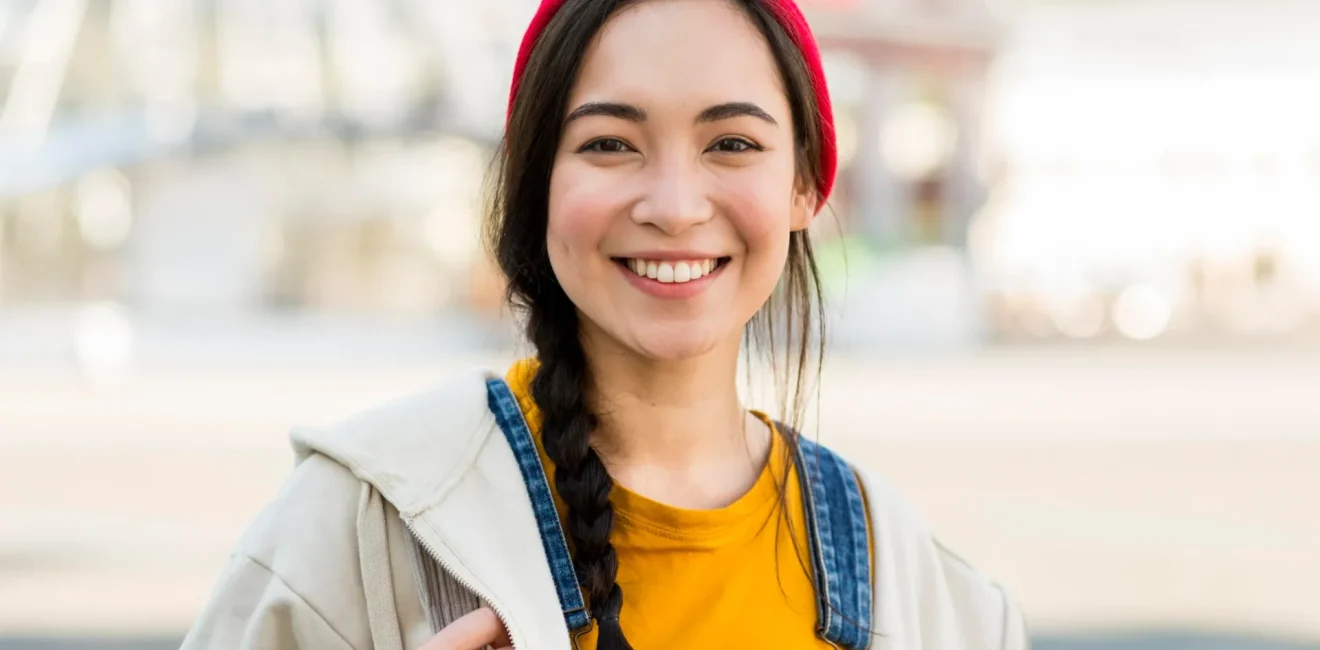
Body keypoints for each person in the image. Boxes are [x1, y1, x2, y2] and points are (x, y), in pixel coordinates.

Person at [180, 1, 1027, 649]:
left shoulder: (931, 600)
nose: (673, 206)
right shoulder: (364, 519)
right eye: (611, 145)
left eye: (731, 143)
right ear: (536, 182)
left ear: (805, 185)